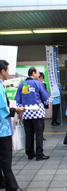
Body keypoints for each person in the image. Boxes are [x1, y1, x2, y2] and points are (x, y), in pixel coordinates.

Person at [0, 60, 26, 191]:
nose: (9, 73)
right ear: (2, 71)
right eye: (8, 70)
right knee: (6, 158)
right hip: (2, 129)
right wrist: (16, 110)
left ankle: (2, 182)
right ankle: (12, 186)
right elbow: (2, 109)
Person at [15, 67, 52, 161]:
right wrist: (47, 103)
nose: (39, 75)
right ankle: (39, 154)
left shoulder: (21, 85)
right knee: (39, 134)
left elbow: (17, 100)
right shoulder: (38, 83)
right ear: (33, 73)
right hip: (37, 113)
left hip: (25, 112)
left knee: (29, 133)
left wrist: (20, 112)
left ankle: (30, 153)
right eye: (38, 73)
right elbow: (47, 98)